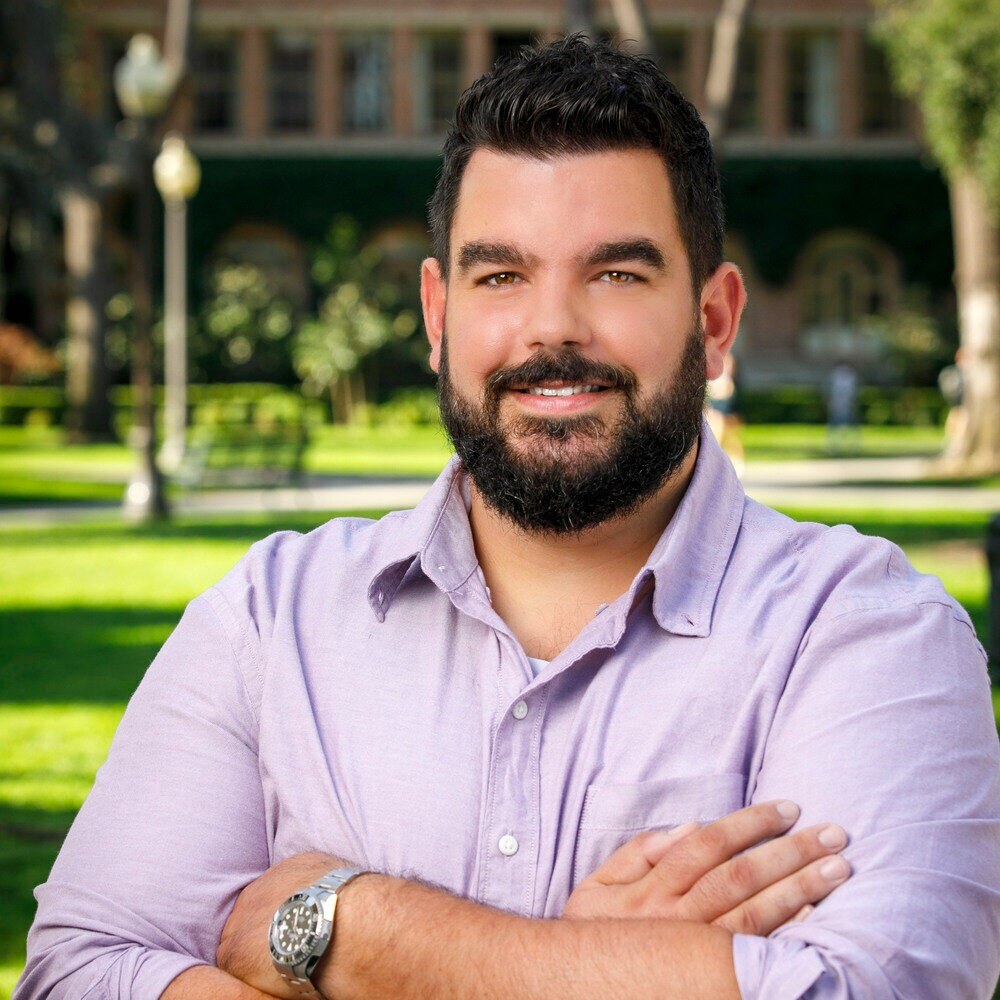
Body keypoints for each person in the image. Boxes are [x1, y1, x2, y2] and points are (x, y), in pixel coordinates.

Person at [16, 37, 1000, 1000]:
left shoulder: (866, 632)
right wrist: (604, 973)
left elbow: (878, 986)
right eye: (500, 276)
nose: (552, 327)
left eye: (616, 274)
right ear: (438, 316)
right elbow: (77, 972)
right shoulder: (272, 620)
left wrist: (351, 932)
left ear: (713, 320)